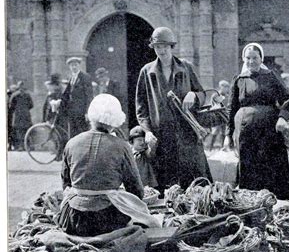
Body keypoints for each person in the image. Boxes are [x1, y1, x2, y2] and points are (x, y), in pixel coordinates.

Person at [58, 94, 160, 237]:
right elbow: (136, 190)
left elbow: (66, 184)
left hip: (75, 218)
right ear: (115, 121)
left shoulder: (72, 143)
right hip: (107, 218)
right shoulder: (122, 146)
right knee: (150, 224)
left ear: (91, 117)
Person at [135, 26, 212, 195]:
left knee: (194, 186)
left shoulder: (186, 67)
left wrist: (193, 94)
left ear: (171, 46)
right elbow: (141, 108)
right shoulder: (147, 72)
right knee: (166, 188)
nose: (161, 50)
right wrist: (147, 132)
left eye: (164, 46)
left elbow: (202, 94)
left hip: (187, 136)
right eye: (157, 47)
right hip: (161, 138)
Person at [224, 42, 289, 200]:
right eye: (248, 58)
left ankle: (274, 203)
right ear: (243, 59)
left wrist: (283, 118)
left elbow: (288, 101)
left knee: (271, 168)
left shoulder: (271, 76)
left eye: (255, 57)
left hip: (269, 132)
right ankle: (251, 205)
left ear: (261, 58)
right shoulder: (239, 80)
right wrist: (228, 135)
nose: (251, 61)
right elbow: (231, 108)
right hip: (245, 134)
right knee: (249, 170)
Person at [60, 57, 93, 139]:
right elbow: (67, 94)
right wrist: (59, 102)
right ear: (69, 67)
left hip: (81, 111)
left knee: (82, 132)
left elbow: (89, 95)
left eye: (75, 65)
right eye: (72, 65)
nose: (74, 67)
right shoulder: (71, 78)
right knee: (73, 132)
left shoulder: (85, 77)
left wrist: (87, 111)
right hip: (72, 111)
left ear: (79, 66)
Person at [9, 81, 33, 151]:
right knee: (23, 131)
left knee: (22, 131)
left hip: (20, 115)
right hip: (23, 115)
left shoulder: (16, 95)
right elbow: (31, 105)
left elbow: (11, 106)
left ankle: (22, 146)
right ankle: (23, 146)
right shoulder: (24, 95)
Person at [208, 80, 231, 150]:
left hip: (224, 115)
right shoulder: (216, 95)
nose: (226, 89)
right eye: (225, 87)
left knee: (223, 131)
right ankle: (210, 147)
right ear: (221, 87)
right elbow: (214, 105)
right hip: (216, 115)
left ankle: (222, 146)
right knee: (215, 131)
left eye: (227, 87)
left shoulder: (227, 96)